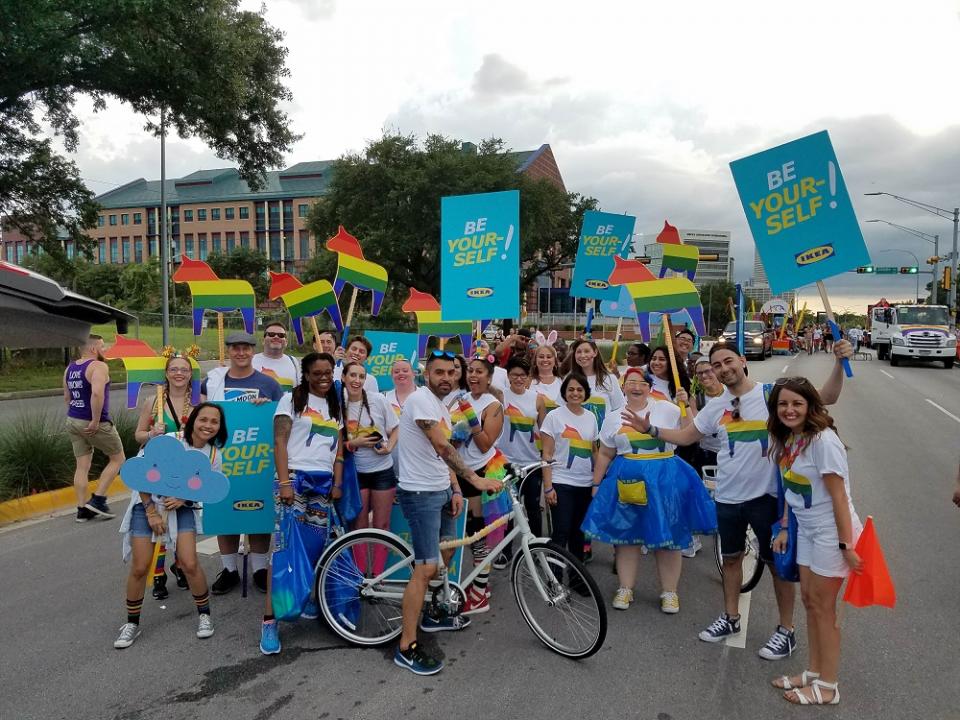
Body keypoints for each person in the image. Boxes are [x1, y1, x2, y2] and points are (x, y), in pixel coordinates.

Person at [625, 341, 852, 659]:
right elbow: (687, 435)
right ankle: (730, 618)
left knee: (777, 567)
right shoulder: (716, 406)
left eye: (727, 361)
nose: (723, 368)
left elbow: (826, 398)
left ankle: (786, 631)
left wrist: (839, 363)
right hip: (728, 497)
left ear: (743, 361)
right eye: (716, 365)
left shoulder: (771, 394)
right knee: (731, 560)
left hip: (766, 497)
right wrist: (650, 429)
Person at [393, 351, 502, 676]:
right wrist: (473, 479)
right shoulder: (420, 400)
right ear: (427, 375)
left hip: (441, 489)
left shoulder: (441, 405)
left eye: (451, 373)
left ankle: (432, 613)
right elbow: (443, 446)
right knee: (426, 568)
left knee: (449, 553)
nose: (446, 377)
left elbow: (441, 456)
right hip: (420, 492)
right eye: (438, 372)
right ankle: (406, 646)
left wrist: (454, 488)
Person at [582, 369, 716, 614]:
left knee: (668, 538)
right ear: (623, 387)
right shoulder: (613, 417)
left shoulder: (668, 409)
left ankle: (669, 592)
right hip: (626, 480)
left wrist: (686, 405)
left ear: (649, 386)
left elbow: (691, 431)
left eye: (641, 382)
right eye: (630, 382)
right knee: (626, 538)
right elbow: (605, 453)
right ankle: (625, 587)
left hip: (664, 480)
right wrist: (596, 483)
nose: (635, 387)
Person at [768, 378, 862, 705]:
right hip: (805, 530)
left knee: (824, 609)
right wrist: (783, 526)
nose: (789, 410)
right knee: (809, 601)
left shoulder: (823, 441)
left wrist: (846, 546)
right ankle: (813, 671)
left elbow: (839, 496)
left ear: (810, 406)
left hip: (830, 532)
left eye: (797, 403)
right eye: (783, 404)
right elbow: (790, 489)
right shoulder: (790, 439)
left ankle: (829, 687)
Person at [114, 403, 227, 649]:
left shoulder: (213, 456)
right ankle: (131, 623)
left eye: (214, 421)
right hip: (147, 506)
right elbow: (139, 473)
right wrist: (151, 511)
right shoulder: (169, 440)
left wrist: (184, 498)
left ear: (220, 427)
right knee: (140, 567)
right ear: (193, 420)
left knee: (189, 562)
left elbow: (206, 488)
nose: (208, 425)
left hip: (181, 510)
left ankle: (204, 615)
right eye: (203, 419)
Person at [260, 353, 343, 655]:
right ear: (306, 375)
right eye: (317, 373)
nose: (323, 377)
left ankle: (305, 598)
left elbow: (337, 451)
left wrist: (336, 482)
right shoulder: (291, 400)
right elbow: (280, 442)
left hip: (323, 485)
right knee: (283, 552)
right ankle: (270, 620)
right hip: (294, 480)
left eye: (328, 372)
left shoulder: (335, 405)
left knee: (312, 548)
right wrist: (284, 483)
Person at [201, 331, 283, 595]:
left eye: (245, 348)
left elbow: (282, 418)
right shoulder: (213, 382)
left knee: (259, 513)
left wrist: (266, 407)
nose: (241, 353)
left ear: (252, 351)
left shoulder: (268, 384)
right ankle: (230, 570)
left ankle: (260, 569)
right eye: (235, 349)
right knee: (225, 513)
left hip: (258, 459)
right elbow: (202, 415)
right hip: (224, 459)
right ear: (229, 351)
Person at [134, 351, 197, 599]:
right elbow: (138, 435)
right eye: (174, 369)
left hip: (183, 472)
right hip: (156, 470)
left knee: (180, 524)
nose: (179, 373)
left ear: (191, 374)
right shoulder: (153, 402)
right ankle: (158, 574)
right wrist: (151, 434)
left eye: (184, 369)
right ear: (167, 373)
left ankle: (179, 565)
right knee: (159, 523)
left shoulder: (199, 402)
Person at [452, 353, 505, 614]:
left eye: (479, 371)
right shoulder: (457, 398)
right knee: (461, 536)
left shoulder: (494, 405)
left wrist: (471, 419)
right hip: (457, 474)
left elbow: (485, 443)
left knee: (478, 536)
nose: (473, 375)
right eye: (470, 370)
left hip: (481, 474)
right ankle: (478, 584)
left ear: (489, 376)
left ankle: (479, 594)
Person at [539, 372, 598, 565]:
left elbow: (595, 452)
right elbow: (546, 454)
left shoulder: (591, 417)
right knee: (561, 531)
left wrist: (598, 482)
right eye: (570, 389)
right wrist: (548, 487)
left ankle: (576, 577)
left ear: (585, 393)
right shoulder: (553, 417)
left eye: (579, 389)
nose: (575, 393)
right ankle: (554, 579)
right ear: (564, 392)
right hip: (561, 482)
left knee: (579, 532)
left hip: (585, 483)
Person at [64, 334, 124, 522]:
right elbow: (97, 394)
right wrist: (96, 420)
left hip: (73, 420)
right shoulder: (98, 366)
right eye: (102, 346)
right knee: (118, 458)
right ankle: (98, 500)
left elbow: (67, 397)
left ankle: (82, 509)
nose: (105, 350)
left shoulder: (70, 368)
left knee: (82, 465)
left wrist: (77, 414)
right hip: (94, 422)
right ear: (92, 349)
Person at [340, 361, 399, 535]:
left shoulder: (378, 399)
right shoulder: (337, 403)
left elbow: (396, 428)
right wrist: (353, 443)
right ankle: (360, 564)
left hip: (382, 470)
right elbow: (333, 445)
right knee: (359, 527)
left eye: (361, 376)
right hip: (355, 473)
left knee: (382, 526)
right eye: (352, 375)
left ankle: (376, 564)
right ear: (343, 377)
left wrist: (389, 446)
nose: (357, 380)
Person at [497, 357, 544, 537]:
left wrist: (545, 458)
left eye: (522, 375)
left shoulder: (537, 399)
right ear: (508, 376)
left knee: (532, 507)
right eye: (514, 375)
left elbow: (544, 431)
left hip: (531, 462)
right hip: (506, 462)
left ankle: (537, 547)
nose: (518, 378)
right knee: (508, 508)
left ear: (528, 377)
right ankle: (506, 551)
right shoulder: (501, 395)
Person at [565, 338, 625, 428]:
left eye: (586, 351)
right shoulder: (568, 379)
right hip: (576, 436)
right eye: (578, 352)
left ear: (595, 352)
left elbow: (619, 408)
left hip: (603, 436)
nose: (582, 355)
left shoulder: (609, 379)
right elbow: (561, 408)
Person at [252, 322, 301, 393]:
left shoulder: (293, 361)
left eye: (281, 335)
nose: (276, 337)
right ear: (263, 341)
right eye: (271, 334)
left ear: (286, 342)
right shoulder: (251, 361)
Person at [530, 343, 563, 417]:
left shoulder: (563, 382)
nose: (545, 360)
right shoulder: (527, 382)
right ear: (535, 360)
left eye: (549, 357)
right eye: (541, 357)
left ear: (555, 360)